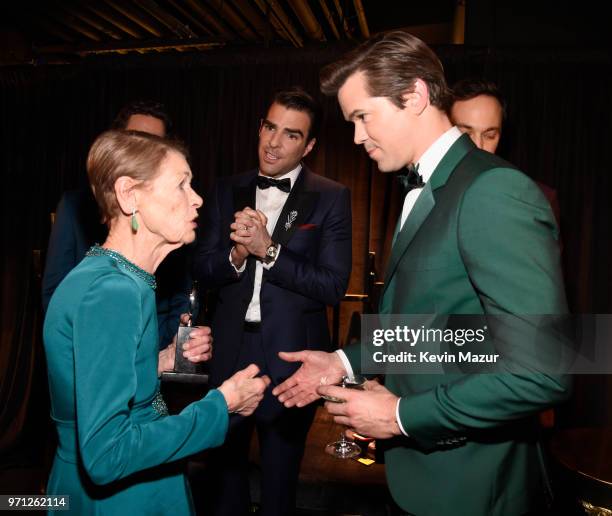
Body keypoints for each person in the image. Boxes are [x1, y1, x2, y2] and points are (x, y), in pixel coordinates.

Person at [272, 32, 570, 515]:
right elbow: (453, 333)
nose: (356, 137)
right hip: (424, 482)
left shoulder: (492, 191)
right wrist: (344, 363)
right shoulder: (432, 187)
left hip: (474, 488)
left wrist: (400, 415)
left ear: (414, 96)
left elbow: (543, 371)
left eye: (363, 117)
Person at [43, 130, 270, 515]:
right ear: (130, 195)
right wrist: (222, 404)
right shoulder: (115, 292)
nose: (197, 198)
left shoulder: (112, 276)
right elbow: (107, 454)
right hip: (121, 501)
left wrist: (162, 360)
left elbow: (94, 384)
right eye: (182, 184)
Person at [193, 88, 352, 516]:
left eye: (291, 134)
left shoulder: (331, 196)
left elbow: (333, 286)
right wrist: (237, 255)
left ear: (310, 145)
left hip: (292, 359)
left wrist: (269, 250)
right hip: (228, 352)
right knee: (223, 483)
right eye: (269, 127)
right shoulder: (226, 189)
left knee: (280, 487)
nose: (273, 142)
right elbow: (203, 271)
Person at [42, 100, 192, 350]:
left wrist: (157, 350)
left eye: (155, 144)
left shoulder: (173, 217)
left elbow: (179, 295)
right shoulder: (75, 207)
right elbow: (55, 297)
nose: (146, 151)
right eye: (137, 140)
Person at [450, 78, 561, 225]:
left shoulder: (535, 200)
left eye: (490, 136)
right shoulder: (423, 192)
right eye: (465, 134)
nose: (477, 145)